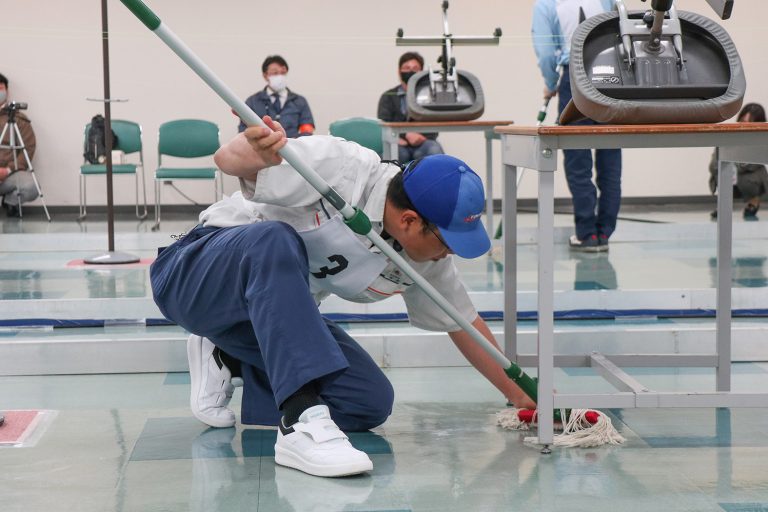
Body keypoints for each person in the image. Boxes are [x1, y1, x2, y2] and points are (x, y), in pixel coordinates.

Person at [151, 115, 534, 478]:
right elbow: (227, 160)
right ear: (409, 221)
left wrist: (525, 398)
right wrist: (254, 149)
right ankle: (300, 420)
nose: (449, 253)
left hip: (256, 322)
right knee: (274, 239)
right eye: (447, 242)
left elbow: (463, 323)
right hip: (194, 276)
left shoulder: (426, 260)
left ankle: (229, 356)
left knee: (367, 400)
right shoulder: (344, 166)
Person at [532, 0, 621, 252]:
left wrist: (550, 83)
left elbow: (546, 52)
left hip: (574, 79)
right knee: (610, 158)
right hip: (610, 77)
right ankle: (604, 233)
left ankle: (587, 233)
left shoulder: (546, 4)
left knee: (577, 162)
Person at [377, 52, 444, 163]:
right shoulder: (388, 96)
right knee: (393, 156)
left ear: (421, 72)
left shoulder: (430, 97)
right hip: (397, 142)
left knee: (435, 150)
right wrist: (405, 135)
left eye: (415, 68)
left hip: (424, 142)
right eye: (406, 68)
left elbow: (435, 124)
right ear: (399, 71)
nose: (410, 71)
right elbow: (383, 124)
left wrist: (420, 138)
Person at [709, 103, 768, 219]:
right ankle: (723, 204)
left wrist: (734, 162)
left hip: (748, 179)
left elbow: (748, 165)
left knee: (748, 176)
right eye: (742, 121)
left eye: (749, 122)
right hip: (731, 174)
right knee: (721, 171)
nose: (744, 125)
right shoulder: (728, 136)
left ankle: (754, 201)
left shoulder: (761, 142)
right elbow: (713, 164)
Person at [238, 55, 315, 138]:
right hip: (262, 145)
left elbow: (307, 129)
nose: (280, 76)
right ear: (265, 75)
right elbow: (244, 131)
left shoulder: (300, 101)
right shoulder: (252, 102)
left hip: (292, 144)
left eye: (283, 72)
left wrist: (294, 142)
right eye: (275, 73)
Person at [0, 72, 39, 217]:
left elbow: (28, 149)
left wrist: (7, 170)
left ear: (7, 91)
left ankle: (10, 202)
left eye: (0, 88)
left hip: (10, 174)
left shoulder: (18, 118)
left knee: (32, 187)